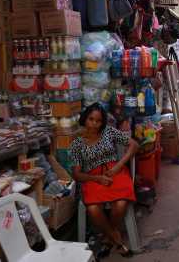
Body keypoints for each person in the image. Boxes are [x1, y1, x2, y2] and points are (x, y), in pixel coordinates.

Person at [70, 103, 139, 258]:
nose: (94, 124)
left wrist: (118, 166)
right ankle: (117, 240)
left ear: (103, 122)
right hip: (93, 177)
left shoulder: (109, 131)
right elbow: (77, 174)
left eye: (98, 121)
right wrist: (97, 178)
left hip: (116, 171)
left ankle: (108, 239)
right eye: (91, 119)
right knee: (93, 208)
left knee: (121, 203)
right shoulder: (77, 144)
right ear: (84, 119)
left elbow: (134, 145)